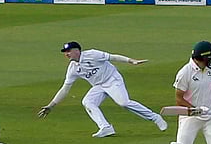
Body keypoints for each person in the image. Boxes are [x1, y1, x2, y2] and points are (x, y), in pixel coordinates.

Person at [37, 41, 167, 138]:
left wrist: (131, 61)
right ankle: (105, 127)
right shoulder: (73, 68)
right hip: (99, 86)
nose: (66, 54)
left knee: (124, 103)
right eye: (65, 52)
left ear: (77, 50)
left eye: (68, 51)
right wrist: (51, 105)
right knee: (88, 102)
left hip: (112, 79)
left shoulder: (92, 54)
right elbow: (65, 89)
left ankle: (155, 118)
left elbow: (112, 57)